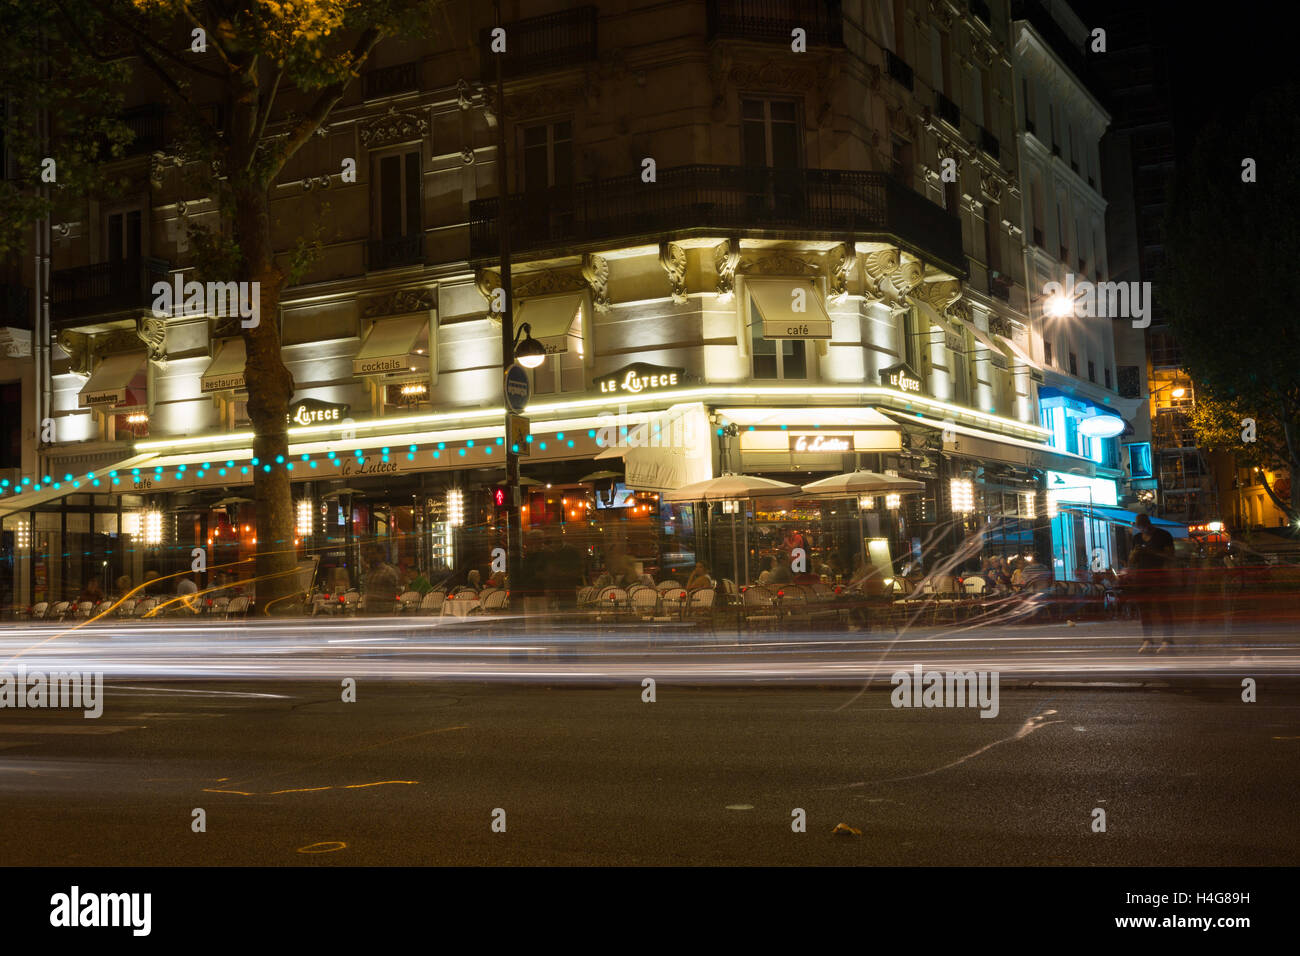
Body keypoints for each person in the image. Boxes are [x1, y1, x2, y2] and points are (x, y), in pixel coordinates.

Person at [1128, 514, 1176, 652]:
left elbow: (1171, 556)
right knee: (1144, 610)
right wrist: (1135, 554)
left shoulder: (1163, 535)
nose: (1143, 529)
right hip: (1141, 578)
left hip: (1160, 576)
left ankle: (1167, 640)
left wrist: (1151, 552)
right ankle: (1147, 639)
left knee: (1163, 609)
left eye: (1144, 526)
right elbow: (1131, 560)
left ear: (1149, 523)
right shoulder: (1136, 538)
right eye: (1140, 527)